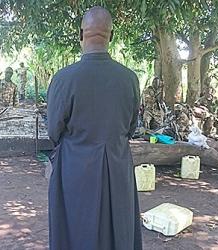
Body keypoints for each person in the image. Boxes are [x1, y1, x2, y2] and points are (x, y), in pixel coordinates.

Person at [47, 6, 142, 250]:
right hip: (117, 167)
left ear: (81, 35)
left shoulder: (64, 78)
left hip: (75, 169)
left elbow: (53, 131)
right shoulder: (129, 78)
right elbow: (131, 128)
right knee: (118, 229)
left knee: (75, 228)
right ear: (111, 36)